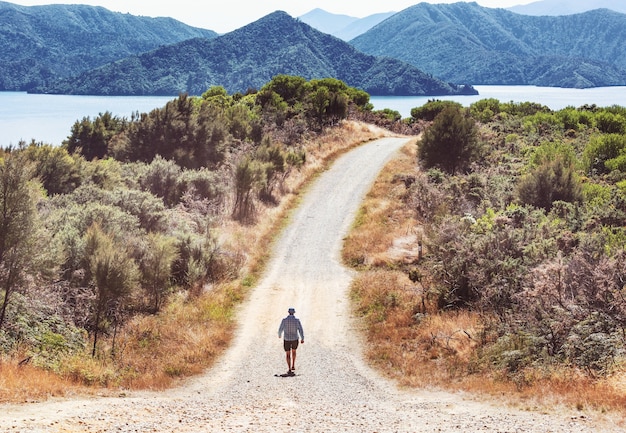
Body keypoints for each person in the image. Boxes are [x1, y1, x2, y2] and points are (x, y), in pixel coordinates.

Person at [278, 307, 304, 375]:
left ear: (288, 312)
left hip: (287, 339)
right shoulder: (297, 320)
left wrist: (279, 334)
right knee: (294, 351)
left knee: (287, 354)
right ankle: (293, 365)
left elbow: (281, 328)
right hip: (295, 338)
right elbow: (300, 329)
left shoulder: (284, 320)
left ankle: (289, 368)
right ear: (294, 313)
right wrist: (302, 338)